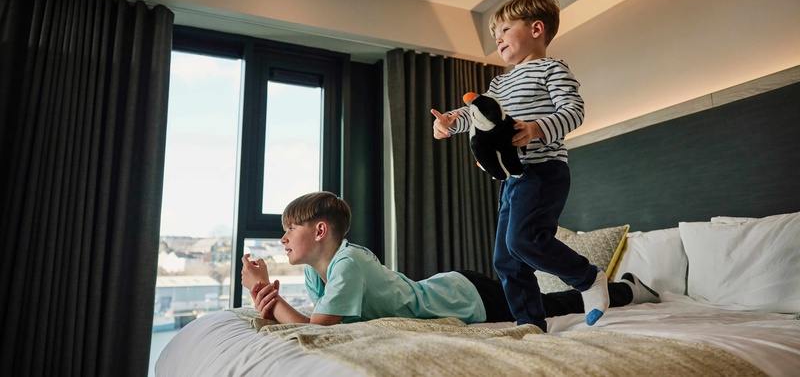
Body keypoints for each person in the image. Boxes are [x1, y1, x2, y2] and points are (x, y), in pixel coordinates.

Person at [430, 0, 601, 332]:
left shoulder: (552, 68)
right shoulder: (499, 82)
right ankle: (530, 323)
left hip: (544, 170)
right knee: (506, 259)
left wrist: (537, 128)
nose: (498, 39)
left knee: (524, 241)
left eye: (505, 30)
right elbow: (479, 113)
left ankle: (588, 277)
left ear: (536, 29)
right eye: (496, 34)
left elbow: (574, 111)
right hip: (514, 178)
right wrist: (450, 120)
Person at [241, 191, 659, 327]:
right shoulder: (319, 273)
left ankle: (627, 289)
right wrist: (268, 302)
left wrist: (265, 294)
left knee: (551, 304)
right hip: (449, 287)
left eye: (290, 228)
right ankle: (621, 288)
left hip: (466, 297)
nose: (282, 238)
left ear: (320, 231)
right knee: (546, 302)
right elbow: (317, 323)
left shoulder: (348, 263)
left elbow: (317, 331)